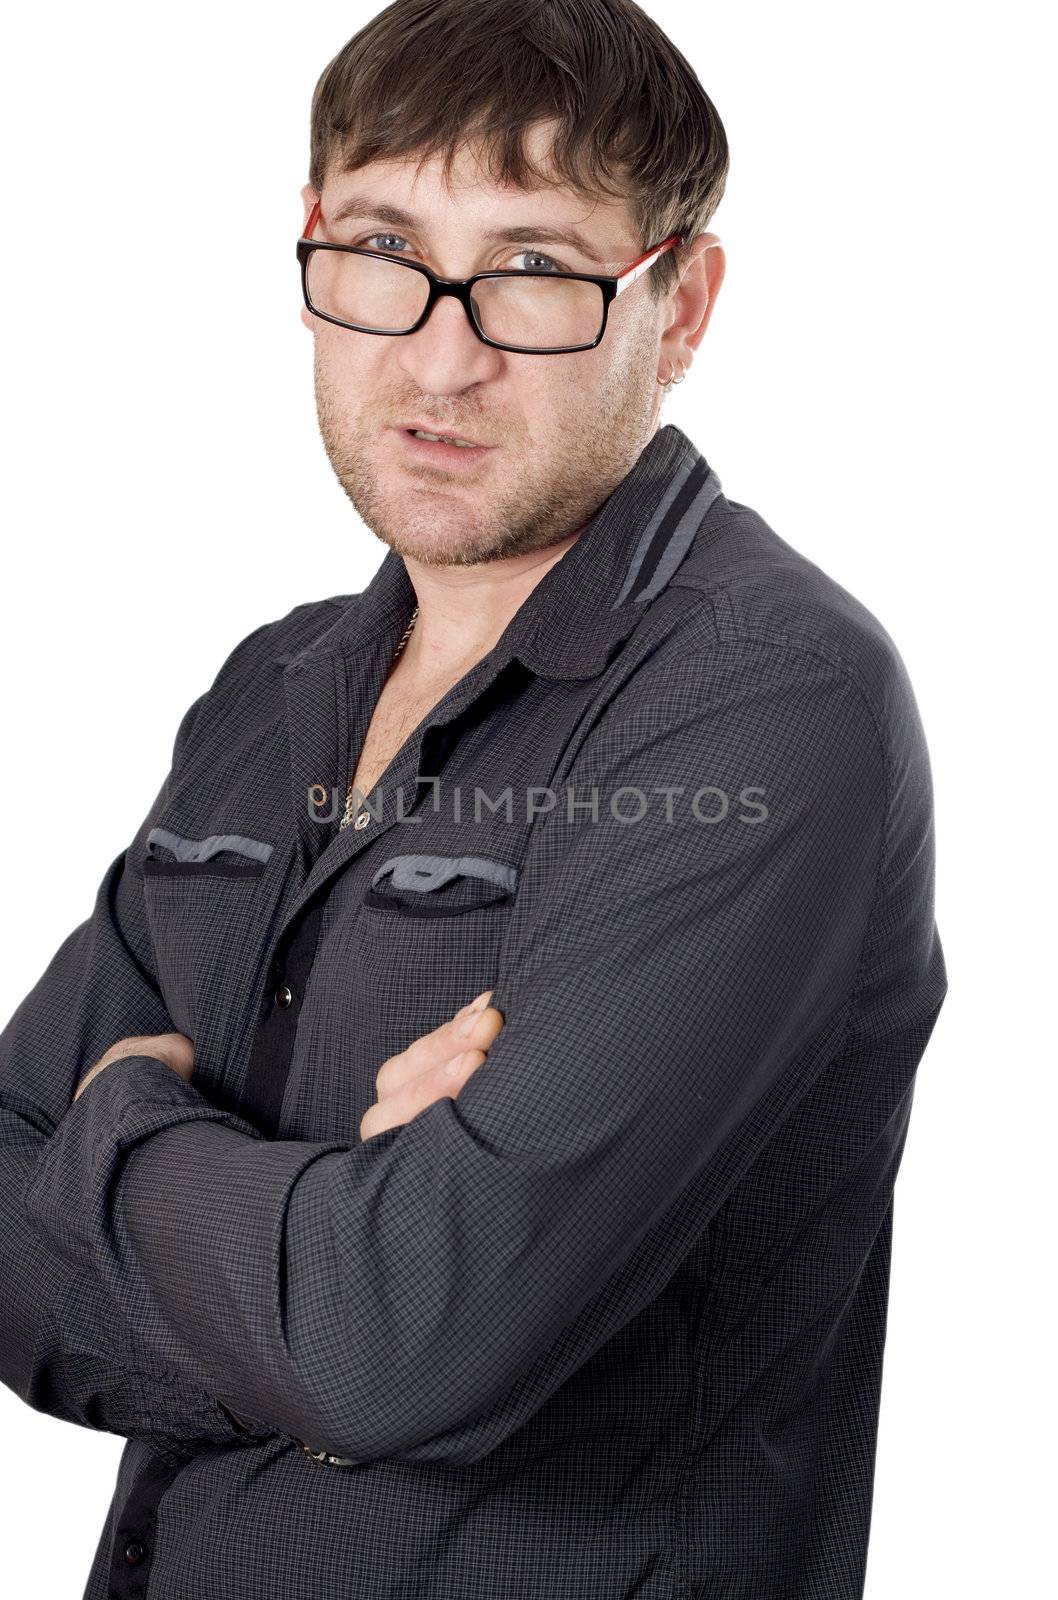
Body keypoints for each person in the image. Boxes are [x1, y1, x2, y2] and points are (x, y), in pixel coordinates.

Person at [0, 2, 948, 1596]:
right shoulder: (266, 694)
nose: (443, 353)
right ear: (311, 251)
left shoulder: (771, 707)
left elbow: (395, 1343)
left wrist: (121, 1130)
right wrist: (313, 1282)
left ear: (682, 301)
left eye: (533, 268)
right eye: (383, 245)